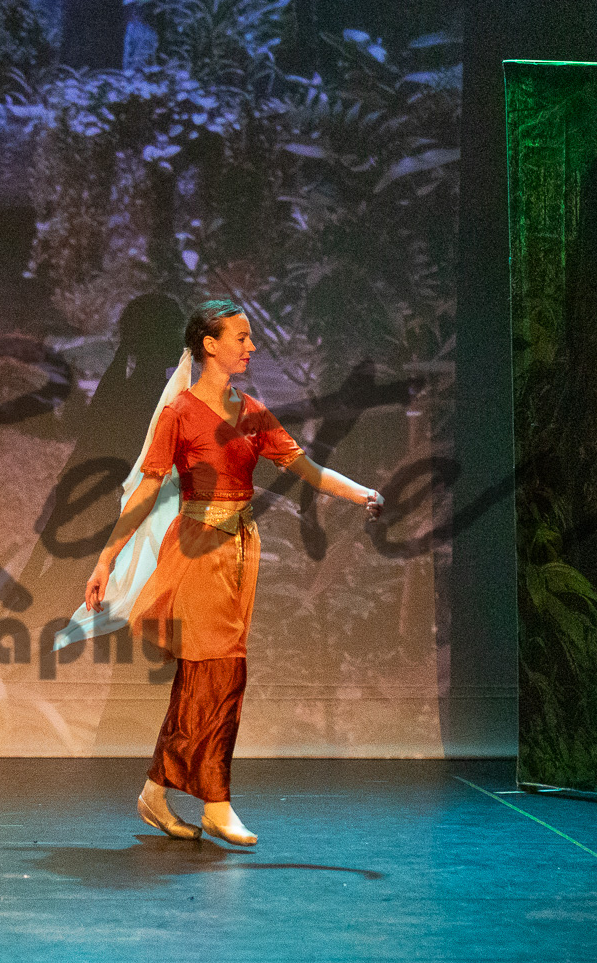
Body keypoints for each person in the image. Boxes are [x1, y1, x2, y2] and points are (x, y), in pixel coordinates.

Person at [57, 300, 382, 845]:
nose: (251, 346)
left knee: (203, 677)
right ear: (209, 345)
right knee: (224, 672)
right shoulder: (180, 414)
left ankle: (156, 792)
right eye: (240, 337)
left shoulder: (252, 412)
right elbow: (145, 491)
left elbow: (306, 469)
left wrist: (361, 493)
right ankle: (216, 801)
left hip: (240, 552)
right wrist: (105, 560)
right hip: (196, 549)